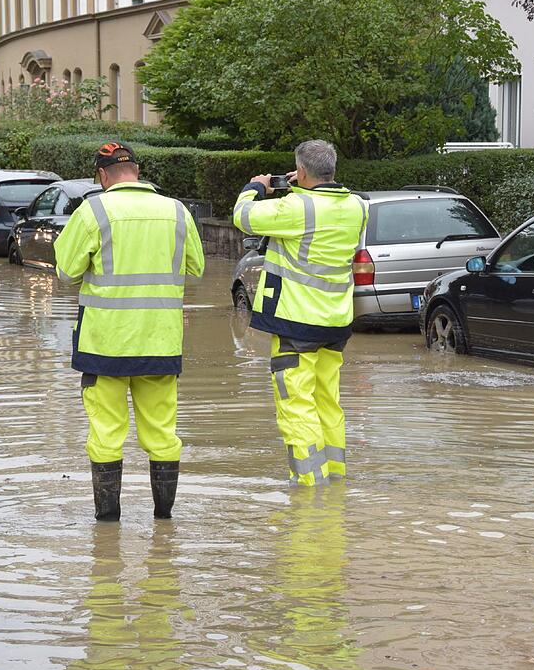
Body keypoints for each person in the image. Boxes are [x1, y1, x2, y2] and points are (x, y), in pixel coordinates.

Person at [54, 142, 205, 521]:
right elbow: (196, 271)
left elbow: (66, 272)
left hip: (104, 346)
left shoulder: (93, 211)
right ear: (137, 172)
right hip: (160, 343)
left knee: (106, 434)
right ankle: (164, 521)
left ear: (102, 176)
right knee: (163, 434)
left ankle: (107, 527)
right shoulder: (177, 211)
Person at [233, 140, 368, 486]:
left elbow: (243, 216)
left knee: (296, 405)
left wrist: (255, 187)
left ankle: (310, 489)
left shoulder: (295, 208)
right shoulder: (357, 206)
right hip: (335, 323)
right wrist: (302, 186)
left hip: (296, 323)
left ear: (302, 171)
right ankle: (335, 478)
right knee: (327, 402)